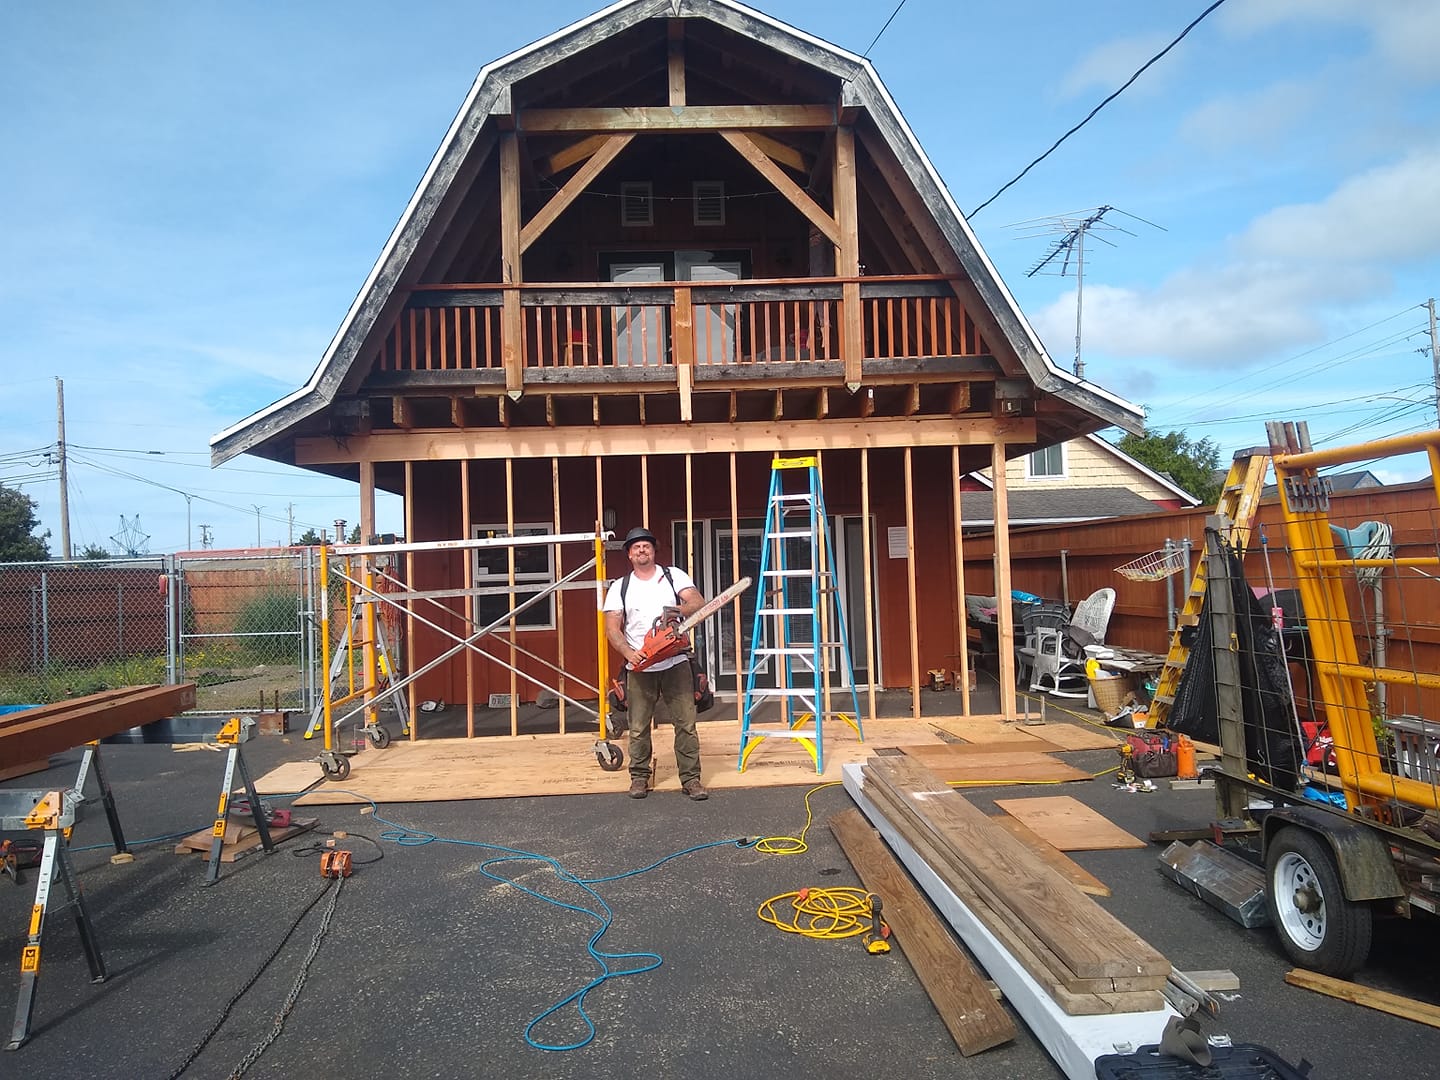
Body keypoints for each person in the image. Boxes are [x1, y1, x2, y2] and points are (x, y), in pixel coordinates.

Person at [603, 526, 709, 800]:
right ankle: (639, 776)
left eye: (646, 546)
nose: (641, 550)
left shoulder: (673, 576)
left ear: (653, 550)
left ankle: (691, 778)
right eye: (636, 546)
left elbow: (698, 602)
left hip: (675, 662)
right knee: (638, 726)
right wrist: (628, 652)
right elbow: (613, 628)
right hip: (640, 666)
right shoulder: (620, 587)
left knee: (685, 723)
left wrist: (677, 610)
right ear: (629, 554)